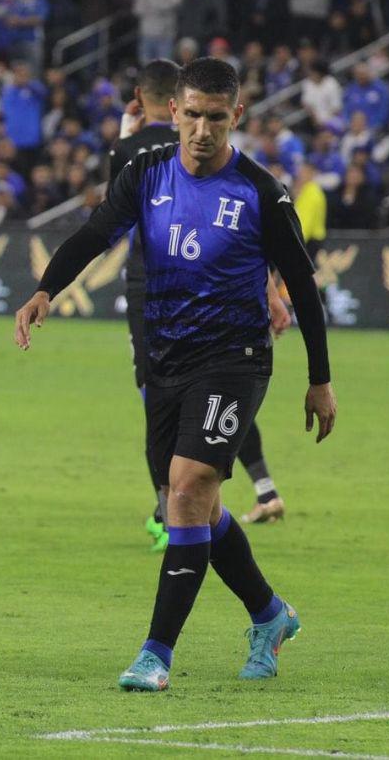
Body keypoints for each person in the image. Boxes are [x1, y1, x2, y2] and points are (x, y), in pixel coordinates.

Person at [15, 58, 337, 691]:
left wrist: (319, 378)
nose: (202, 130)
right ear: (173, 113)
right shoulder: (146, 173)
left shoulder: (261, 192)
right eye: (192, 115)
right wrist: (45, 290)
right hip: (167, 359)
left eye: (216, 118)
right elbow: (95, 233)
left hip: (235, 359)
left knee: (187, 488)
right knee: (190, 503)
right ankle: (269, 615)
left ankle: (155, 654)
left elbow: (301, 283)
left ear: (235, 117)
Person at [110, 61, 291, 546]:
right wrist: (271, 290)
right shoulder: (239, 173)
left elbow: (107, 222)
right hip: (221, 294)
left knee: (161, 400)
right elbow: (242, 240)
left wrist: (123, 138)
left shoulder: (131, 154)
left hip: (153, 289)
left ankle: (168, 507)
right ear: (173, 105)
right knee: (217, 396)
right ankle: (260, 487)